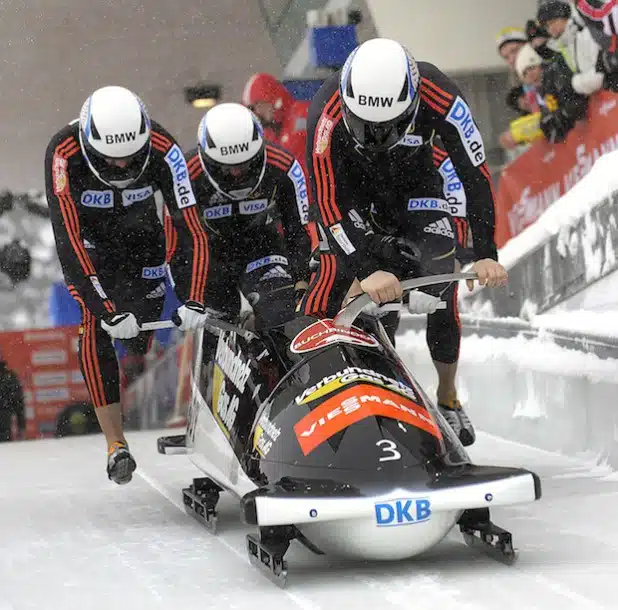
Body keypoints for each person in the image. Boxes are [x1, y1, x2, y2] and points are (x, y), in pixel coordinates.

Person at [299, 37, 508, 446]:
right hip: (351, 198)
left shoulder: (442, 95)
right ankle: (351, 397)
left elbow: (475, 175)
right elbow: (326, 203)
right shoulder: (324, 116)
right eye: (366, 127)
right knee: (336, 288)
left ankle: (447, 399)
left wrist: (484, 252)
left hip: (416, 188)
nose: (376, 136)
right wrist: (363, 267)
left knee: (441, 277)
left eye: (389, 126)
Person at [44, 86, 211, 484]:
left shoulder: (164, 149)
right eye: (111, 159)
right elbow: (67, 239)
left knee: (141, 329)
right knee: (95, 325)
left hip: (142, 240)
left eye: (129, 158)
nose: (120, 165)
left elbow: (189, 228)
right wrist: (104, 308)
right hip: (90, 246)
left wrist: (193, 296)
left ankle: (136, 364)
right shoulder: (62, 154)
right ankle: (115, 444)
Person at [165, 102, 311, 332]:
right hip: (206, 255)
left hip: (260, 244)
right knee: (219, 319)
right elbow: (175, 245)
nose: (236, 173)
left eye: (245, 165)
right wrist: (189, 298)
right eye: (227, 168)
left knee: (280, 312)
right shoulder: (185, 176)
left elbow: (299, 227)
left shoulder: (283, 167)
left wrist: (302, 277)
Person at [0, 356, 25, 442]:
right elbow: (19, 403)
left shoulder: (9, 377)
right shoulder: (9, 376)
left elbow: (18, 402)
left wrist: (21, 425)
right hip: (5, 422)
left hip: (4, 423)